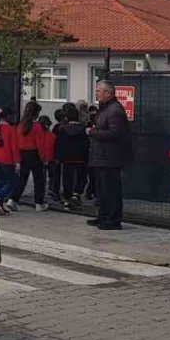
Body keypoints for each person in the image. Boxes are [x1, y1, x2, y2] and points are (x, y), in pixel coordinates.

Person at [86, 80, 132, 231]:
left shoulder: (115, 110)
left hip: (110, 158)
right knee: (102, 190)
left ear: (108, 93)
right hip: (101, 156)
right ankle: (103, 215)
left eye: (99, 90)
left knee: (111, 190)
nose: (96, 93)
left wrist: (93, 133)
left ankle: (113, 219)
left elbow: (115, 133)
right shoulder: (105, 109)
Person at [10, 101, 48, 211]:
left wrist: (17, 159)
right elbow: (40, 144)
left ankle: (13, 199)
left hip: (23, 154)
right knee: (39, 179)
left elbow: (16, 144)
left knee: (22, 178)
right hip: (35, 154)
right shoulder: (37, 127)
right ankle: (38, 203)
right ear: (36, 113)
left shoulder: (20, 126)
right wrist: (43, 158)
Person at [53, 102, 89, 208]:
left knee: (67, 178)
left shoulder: (62, 130)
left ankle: (67, 197)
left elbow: (59, 144)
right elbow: (86, 144)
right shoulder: (83, 130)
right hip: (80, 158)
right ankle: (76, 194)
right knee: (81, 177)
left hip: (66, 158)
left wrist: (58, 157)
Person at [39, 114, 58, 206]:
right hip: (52, 158)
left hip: (41, 159)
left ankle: (42, 193)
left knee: (41, 178)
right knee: (52, 176)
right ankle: (52, 191)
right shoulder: (53, 136)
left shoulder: (38, 136)